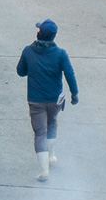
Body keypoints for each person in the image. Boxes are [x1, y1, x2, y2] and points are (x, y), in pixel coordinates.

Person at [17, 19, 77, 183]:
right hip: (55, 99)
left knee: (40, 133)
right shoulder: (61, 54)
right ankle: (51, 156)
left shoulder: (28, 51)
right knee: (52, 123)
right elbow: (70, 74)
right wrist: (75, 94)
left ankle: (44, 171)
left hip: (36, 100)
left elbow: (21, 72)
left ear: (39, 33)